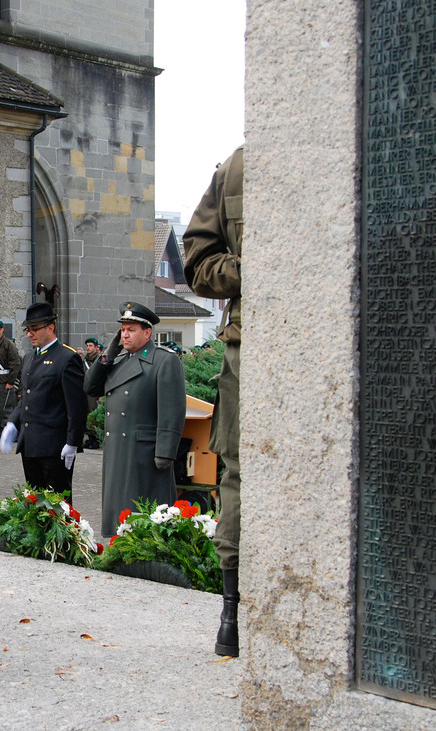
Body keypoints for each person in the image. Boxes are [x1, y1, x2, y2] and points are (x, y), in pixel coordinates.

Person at [183, 145, 244, 657]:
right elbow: (198, 262)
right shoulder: (237, 169)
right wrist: (254, 266)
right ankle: (232, 613)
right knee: (239, 472)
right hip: (250, 346)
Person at [85, 302, 186, 538]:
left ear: (147, 333)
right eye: (122, 330)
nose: (125, 335)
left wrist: (166, 451)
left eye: (131, 329)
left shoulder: (163, 360)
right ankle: (119, 543)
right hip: (118, 450)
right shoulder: (119, 361)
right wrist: (108, 355)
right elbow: (90, 387)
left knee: (144, 516)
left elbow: (172, 410)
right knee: (119, 513)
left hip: (145, 454)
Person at [0, 302, 87, 503]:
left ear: (50, 327)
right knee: (35, 505)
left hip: (54, 446)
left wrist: (73, 442)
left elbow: (77, 406)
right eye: (28, 330)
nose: (30, 334)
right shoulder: (29, 357)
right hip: (30, 443)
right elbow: (28, 396)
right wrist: (13, 422)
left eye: (35, 329)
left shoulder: (67, 357)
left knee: (58, 507)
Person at [81, 337, 103, 449]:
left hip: (95, 391)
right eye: (87, 346)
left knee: (94, 414)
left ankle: (95, 439)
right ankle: (89, 438)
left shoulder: (99, 360)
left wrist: (101, 395)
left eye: (90, 346)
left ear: (96, 347)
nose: (88, 348)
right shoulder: (84, 361)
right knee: (86, 413)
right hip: (85, 391)